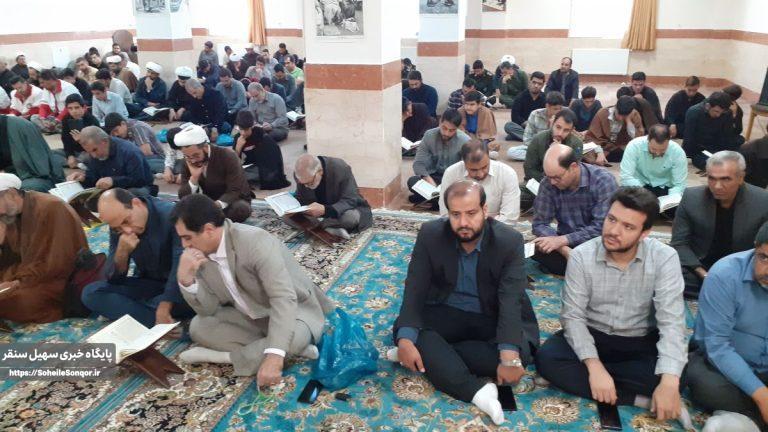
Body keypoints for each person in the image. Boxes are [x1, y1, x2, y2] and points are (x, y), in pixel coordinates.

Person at [535, 187, 689, 428]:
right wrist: (594, 366)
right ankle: (638, 399)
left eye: (628, 227)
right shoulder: (582, 255)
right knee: (547, 359)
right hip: (593, 334)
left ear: (645, 233)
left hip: (638, 341)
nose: (614, 231)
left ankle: (606, 384)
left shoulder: (664, 258)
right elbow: (573, 317)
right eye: (612, 219)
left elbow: (671, 322)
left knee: (679, 375)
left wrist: (669, 381)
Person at [390, 180, 539, 425]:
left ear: (485, 210)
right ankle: (478, 392)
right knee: (405, 330)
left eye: (471, 213)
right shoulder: (431, 234)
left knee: (517, 357)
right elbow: (415, 287)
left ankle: (435, 354)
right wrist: (406, 340)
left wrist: (509, 358)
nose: (463, 223)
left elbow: (510, 300)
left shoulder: (509, 241)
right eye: (455, 214)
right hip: (447, 310)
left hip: (492, 315)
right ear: (447, 213)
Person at [173, 193, 333, 380]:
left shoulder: (255, 242)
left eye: (187, 237)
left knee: (296, 336)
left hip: (294, 310)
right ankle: (286, 347)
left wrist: (274, 356)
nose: (184, 245)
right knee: (198, 327)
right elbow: (208, 309)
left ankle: (225, 358)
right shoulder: (199, 254)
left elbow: (283, 298)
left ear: (208, 230)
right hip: (250, 314)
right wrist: (187, 281)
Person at [685, 221, 768, 431]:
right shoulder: (725, 274)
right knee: (705, 386)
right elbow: (718, 346)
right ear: (755, 247)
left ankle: (743, 418)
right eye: (764, 258)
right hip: (721, 368)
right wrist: (761, 396)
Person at [81, 188, 194, 328]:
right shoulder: (118, 226)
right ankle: (157, 321)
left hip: (180, 289)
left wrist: (165, 305)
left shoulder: (171, 215)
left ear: (137, 203)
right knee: (91, 293)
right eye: (118, 228)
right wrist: (122, 252)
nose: (127, 230)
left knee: (186, 301)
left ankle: (152, 318)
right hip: (150, 284)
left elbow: (180, 265)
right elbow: (113, 279)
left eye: (127, 221)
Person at [670, 151, 768, 299]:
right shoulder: (692, 197)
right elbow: (679, 243)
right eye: (712, 178)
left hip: (741, 269)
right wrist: (703, 274)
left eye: (725, 179)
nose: (717, 186)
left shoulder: (762, 202)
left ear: (741, 178)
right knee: (668, 277)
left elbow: (763, 248)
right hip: (699, 267)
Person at [0, 173, 88, 323]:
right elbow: (11, 257)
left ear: (12, 194)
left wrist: (15, 282)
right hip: (27, 273)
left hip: (59, 278)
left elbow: (58, 263)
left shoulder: (52, 208)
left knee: (21, 302)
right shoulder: (8, 214)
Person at [532, 144, 618, 276]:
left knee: (613, 255)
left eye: (557, 177)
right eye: (548, 176)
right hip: (566, 245)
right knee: (535, 248)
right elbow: (539, 224)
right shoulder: (548, 183)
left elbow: (602, 227)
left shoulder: (603, 181)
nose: (552, 182)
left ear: (573, 167)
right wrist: (563, 249)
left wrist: (562, 240)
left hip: (596, 244)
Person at [175, 124, 253, 223]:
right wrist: (194, 178)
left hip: (230, 201)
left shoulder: (227, 156)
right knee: (179, 210)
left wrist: (215, 206)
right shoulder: (188, 160)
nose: (193, 160)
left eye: (196, 155)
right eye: (188, 156)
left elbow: (235, 190)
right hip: (207, 202)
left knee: (240, 209)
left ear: (205, 147)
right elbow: (183, 196)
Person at [293, 154, 373, 238]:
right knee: (287, 217)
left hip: (338, 211)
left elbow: (350, 199)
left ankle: (317, 227)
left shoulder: (340, 168)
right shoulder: (301, 175)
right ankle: (328, 228)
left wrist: (326, 210)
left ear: (320, 171)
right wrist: (292, 207)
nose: (306, 186)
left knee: (351, 217)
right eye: (303, 183)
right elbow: (301, 198)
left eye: (309, 183)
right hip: (315, 214)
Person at [439, 141, 520, 223]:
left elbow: (509, 218)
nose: (480, 174)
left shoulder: (507, 173)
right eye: (473, 170)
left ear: (489, 157)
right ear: (464, 163)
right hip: (461, 227)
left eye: (484, 167)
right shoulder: (451, 173)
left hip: (495, 228)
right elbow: (445, 214)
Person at [65, 126, 155, 196]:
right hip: (110, 190)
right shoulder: (93, 155)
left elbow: (138, 180)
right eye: (89, 152)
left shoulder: (129, 151)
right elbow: (94, 178)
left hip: (138, 188)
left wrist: (113, 181)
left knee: (129, 195)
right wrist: (83, 178)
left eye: (94, 150)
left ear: (104, 141)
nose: (93, 155)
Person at [408, 109, 470, 201]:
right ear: (440, 122)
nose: (446, 133)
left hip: (453, 180)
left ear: (457, 128)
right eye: (444, 128)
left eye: (451, 130)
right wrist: (430, 181)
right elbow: (418, 164)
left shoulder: (465, 141)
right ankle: (438, 199)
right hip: (433, 177)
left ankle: (433, 199)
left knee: (464, 190)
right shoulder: (429, 135)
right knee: (413, 182)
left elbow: (466, 170)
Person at [619, 124, 687, 198]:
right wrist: (644, 194)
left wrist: (671, 199)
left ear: (669, 140)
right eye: (654, 149)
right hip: (638, 185)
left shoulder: (677, 152)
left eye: (663, 150)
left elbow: (679, 184)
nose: (658, 153)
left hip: (664, 187)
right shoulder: (634, 146)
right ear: (648, 139)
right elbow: (626, 176)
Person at [0, 115, 64, 192]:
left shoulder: (21, 127)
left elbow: (42, 166)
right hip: (7, 178)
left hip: (30, 176)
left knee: (29, 189)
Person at [233, 110, 290, 190]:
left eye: (246, 130)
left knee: (262, 174)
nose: (243, 133)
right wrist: (238, 148)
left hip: (264, 167)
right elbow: (234, 163)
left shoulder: (261, 136)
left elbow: (273, 159)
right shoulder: (238, 138)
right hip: (250, 167)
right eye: (241, 129)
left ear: (252, 126)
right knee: (231, 173)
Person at [523, 108, 584, 182]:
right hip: (538, 181)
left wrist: (557, 154)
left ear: (572, 130)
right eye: (558, 127)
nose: (560, 133)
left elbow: (573, 172)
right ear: (552, 123)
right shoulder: (538, 139)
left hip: (564, 184)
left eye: (566, 130)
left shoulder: (577, 144)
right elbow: (529, 169)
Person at [684, 91, 739, 170]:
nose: (718, 115)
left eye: (722, 112)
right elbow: (689, 138)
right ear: (708, 106)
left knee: (740, 153)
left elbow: (727, 135)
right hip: (699, 148)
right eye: (716, 111)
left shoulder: (727, 113)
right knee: (712, 164)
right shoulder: (694, 112)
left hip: (716, 146)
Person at [507, 91, 565, 161]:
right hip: (537, 148)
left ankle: (543, 158)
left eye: (560, 108)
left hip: (557, 147)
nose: (558, 111)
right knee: (511, 152)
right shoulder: (535, 114)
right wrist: (540, 148)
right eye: (555, 109)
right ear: (547, 106)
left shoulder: (564, 115)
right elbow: (527, 139)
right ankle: (546, 158)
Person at [103, 113, 168, 175]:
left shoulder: (137, 127)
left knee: (134, 164)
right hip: (141, 158)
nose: (116, 134)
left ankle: (166, 169)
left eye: (116, 130)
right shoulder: (123, 131)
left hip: (156, 158)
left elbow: (146, 152)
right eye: (113, 133)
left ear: (123, 123)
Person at [585, 95, 644, 162]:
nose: (620, 118)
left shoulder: (634, 115)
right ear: (615, 108)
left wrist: (628, 121)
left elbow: (637, 139)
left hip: (620, 147)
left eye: (624, 116)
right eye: (619, 114)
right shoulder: (602, 113)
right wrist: (599, 152)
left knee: (637, 155)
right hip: (602, 145)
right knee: (587, 153)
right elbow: (591, 137)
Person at [30, 69, 80, 134]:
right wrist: (43, 119)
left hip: (69, 116)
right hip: (56, 118)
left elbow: (69, 109)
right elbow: (44, 106)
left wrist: (56, 121)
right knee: (34, 117)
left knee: (70, 121)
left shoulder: (68, 88)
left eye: (42, 82)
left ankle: (56, 129)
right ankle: (57, 129)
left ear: (51, 80)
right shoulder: (46, 89)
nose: (41, 85)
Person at [57, 94, 99, 169]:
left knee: (90, 158)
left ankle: (76, 163)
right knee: (51, 154)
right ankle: (76, 163)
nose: (74, 111)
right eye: (70, 108)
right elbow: (66, 140)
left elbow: (96, 146)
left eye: (77, 107)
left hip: (87, 152)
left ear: (83, 107)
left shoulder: (91, 120)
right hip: (74, 152)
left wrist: (81, 140)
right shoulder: (66, 119)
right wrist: (70, 156)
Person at [505, 71, 546, 142]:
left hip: (539, 128)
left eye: (539, 84)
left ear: (542, 85)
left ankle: (523, 137)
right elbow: (515, 117)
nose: (536, 86)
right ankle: (536, 139)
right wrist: (528, 124)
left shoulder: (545, 98)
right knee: (508, 126)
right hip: (524, 127)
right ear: (530, 82)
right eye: (534, 82)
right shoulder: (520, 97)